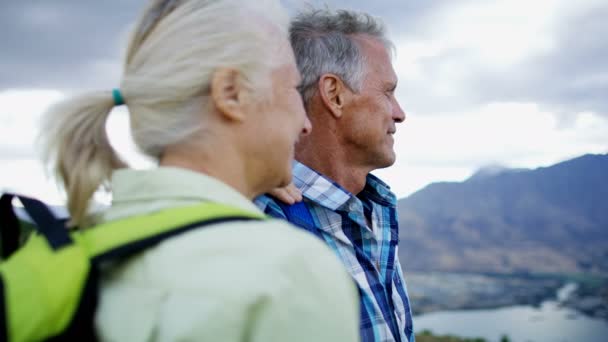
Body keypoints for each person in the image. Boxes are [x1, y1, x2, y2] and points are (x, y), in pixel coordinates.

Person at [38, 0, 359, 341]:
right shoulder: (292, 270)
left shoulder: (64, 253)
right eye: (293, 89)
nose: (305, 123)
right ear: (230, 93)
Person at [255, 8, 414, 342]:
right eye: (388, 91)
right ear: (334, 94)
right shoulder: (262, 226)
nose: (400, 114)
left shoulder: (373, 214)